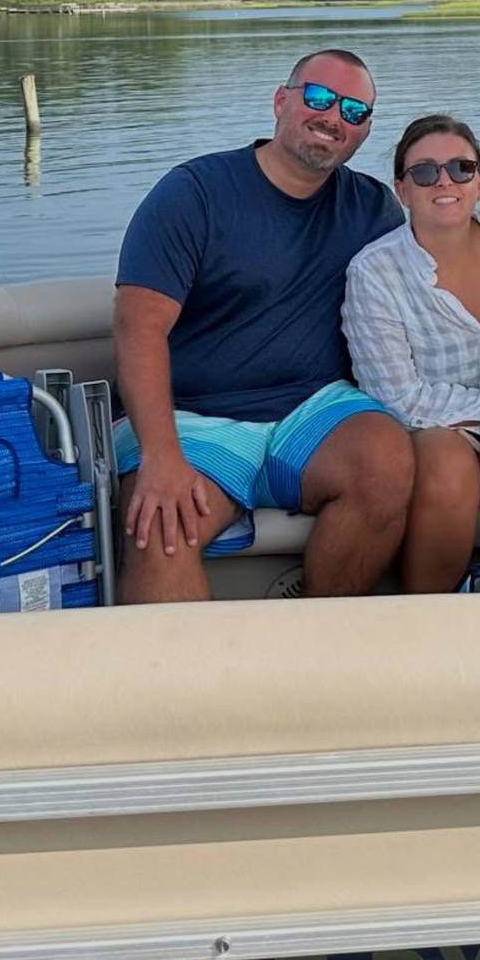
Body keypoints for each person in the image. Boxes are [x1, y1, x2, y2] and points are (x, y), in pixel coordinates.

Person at [111, 48, 414, 602]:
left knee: (388, 461)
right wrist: (161, 457)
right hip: (194, 419)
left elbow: (441, 260)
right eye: (319, 98)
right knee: (161, 531)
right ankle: (194, 687)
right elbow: (138, 328)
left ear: (365, 131)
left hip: (314, 408)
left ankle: (317, 653)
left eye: (354, 111)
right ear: (281, 100)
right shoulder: (194, 193)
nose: (332, 118)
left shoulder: (374, 211)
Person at [343, 115, 480, 593]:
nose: (444, 181)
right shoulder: (375, 272)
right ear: (402, 190)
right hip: (431, 422)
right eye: (424, 172)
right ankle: (433, 629)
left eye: (461, 169)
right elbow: (398, 398)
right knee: (447, 470)